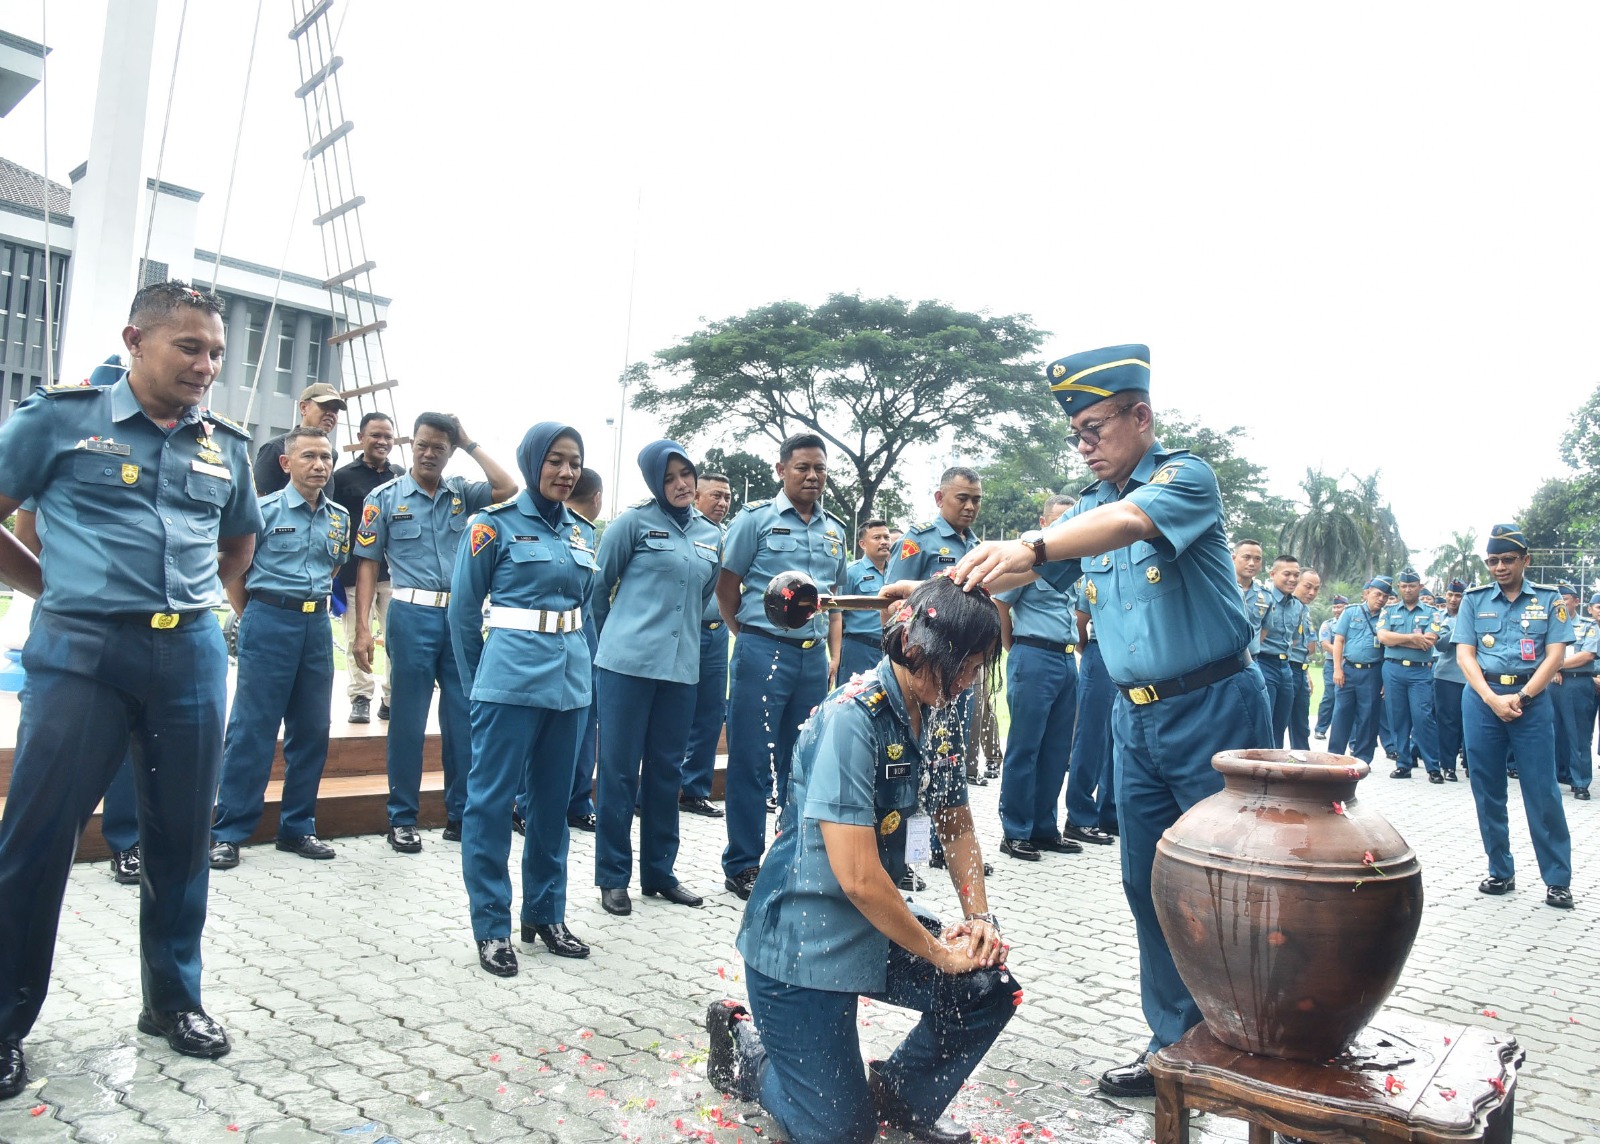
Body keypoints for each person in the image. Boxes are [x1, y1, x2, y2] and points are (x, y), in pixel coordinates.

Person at [948, 343, 1270, 1099]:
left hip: (1214, 708)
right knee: (1148, 883)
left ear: (1141, 417)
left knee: (1234, 887)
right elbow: (1029, 567)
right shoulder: (1087, 509)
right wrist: (945, 584)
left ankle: (1262, 1056)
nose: (1084, 445)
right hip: (1136, 717)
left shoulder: (1183, 478)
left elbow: (1124, 523)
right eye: (1076, 435)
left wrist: (1028, 542)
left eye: (1094, 429)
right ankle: (1174, 1050)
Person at [0, 282, 262, 1099]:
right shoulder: (59, 419)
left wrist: (203, 602)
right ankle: (4, 1022)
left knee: (181, 841)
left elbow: (239, 542)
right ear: (135, 340)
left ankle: (173, 1001)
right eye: (189, 347)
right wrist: (54, 590)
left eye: (215, 352)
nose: (206, 365)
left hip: (190, 659)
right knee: (38, 839)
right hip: (84, 656)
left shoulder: (225, 445)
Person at [707, 577, 1015, 1144]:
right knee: (840, 1135)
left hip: (875, 927)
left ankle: (899, 1098)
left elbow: (954, 820)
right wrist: (940, 955)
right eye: (963, 668)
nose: (969, 682)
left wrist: (978, 920)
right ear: (917, 648)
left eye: (977, 669)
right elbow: (858, 877)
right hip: (805, 946)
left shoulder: (940, 704)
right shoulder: (852, 719)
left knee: (987, 986)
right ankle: (747, 1054)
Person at [448, 423, 596, 974]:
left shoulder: (581, 533)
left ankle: (546, 914)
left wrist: (586, 679)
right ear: (533, 463)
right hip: (507, 682)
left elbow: (586, 613)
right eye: (555, 460)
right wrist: (476, 686)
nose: (566, 472)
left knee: (553, 806)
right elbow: (463, 612)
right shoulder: (493, 525)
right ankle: (492, 926)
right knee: (490, 805)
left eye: (574, 462)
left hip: (568, 685)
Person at [352, 413, 516, 853]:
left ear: (450, 451)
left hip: (459, 617)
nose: (428, 454)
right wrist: (363, 628)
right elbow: (368, 564)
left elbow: (507, 487)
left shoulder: (462, 492)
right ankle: (402, 818)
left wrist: (469, 441)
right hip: (410, 614)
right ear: (411, 444)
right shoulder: (384, 497)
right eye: (422, 445)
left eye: (439, 447)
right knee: (408, 719)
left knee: (464, 718)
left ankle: (460, 815)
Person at [209, 427, 350, 869]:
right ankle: (228, 832)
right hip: (269, 619)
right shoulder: (264, 511)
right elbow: (236, 574)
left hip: (316, 625)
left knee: (312, 730)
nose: (320, 465)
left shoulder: (340, 518)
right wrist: (258, 614)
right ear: (286, 463)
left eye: (326, 457)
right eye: (309, 456)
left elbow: (334, 568)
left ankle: (298, 827)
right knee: (252, 729)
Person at [590, 441, 721, 916]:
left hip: (681, 670)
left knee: (667, 772)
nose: (681, 484)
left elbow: (704, 594)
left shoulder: (712, 534)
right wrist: (613, 641)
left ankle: (660, 873)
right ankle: (613, 876)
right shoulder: (632, 523)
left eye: (686, 474)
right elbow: (598, 589)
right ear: (653, 483)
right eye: (669, 478)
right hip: (625, 667)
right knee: (620, 771)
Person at [716, 434, 847, 900]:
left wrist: (829, 653)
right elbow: (727, 587)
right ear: (781, 470)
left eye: (820, 469)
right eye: (802, 468)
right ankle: (743, 864)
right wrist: (749, 634)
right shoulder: (754, 520)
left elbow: (834, 597)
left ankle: (792, 859)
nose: (812, 476)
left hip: (812, 659)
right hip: (762, 652)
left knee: (803, 762)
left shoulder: (835, 531)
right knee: (751, 760)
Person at [14, 485, 143, 886]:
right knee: (49, 737)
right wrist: (63, 588)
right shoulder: (51, 449)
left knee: (128, 734)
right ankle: (29, 859)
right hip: (69, 620)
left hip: (138, 617)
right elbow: (26, 535)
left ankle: (127, 843)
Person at [1453, 524, 1575, 909]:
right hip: (1482, 700)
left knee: (1542, 790)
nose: (1500, 567)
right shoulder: (1474, 600)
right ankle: (1500, 871)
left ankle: (1557, 879)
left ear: (1526, 560)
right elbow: (1465, 654)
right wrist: (1491, 698)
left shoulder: (1550, 600)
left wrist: (1521, 696)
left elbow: (1556, 655)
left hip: (1531, 701)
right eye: (1493, 561)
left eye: (1507, 559)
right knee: (1487, 789)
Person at [994, 494, 1083, 861]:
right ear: (1044, 523)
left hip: (1066, 660)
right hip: (1033, 656)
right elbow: (1001, 603)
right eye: (1059, 521)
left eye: (1072, 521)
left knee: (1057, 750)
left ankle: (1044, 829)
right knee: (1025, 747)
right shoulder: (1029, 556)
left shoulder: (1076, 560)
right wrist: (1013, 647)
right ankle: (1015, 831)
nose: (1066, 528)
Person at [886, 468, 987, 785]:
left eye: (976, 500)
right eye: (962, 498)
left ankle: (947, 810)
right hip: (924, 668)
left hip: (962, 669)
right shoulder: (918, 541)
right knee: (911, 749)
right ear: (940, 498)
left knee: (950, 752)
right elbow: (893, 605)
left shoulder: (977, 547)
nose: (970, 507)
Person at [331, 412, 402, 724]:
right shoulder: (342, 478)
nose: (382, 441)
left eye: (387, 436)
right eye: (375, 435)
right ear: (361, 438)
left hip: (394, 573)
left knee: (397, 639)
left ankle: (390, 698)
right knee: (355, 637)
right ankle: (360, 696)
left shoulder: (401, 476)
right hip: (353, 573)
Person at [680, 471, 733, 818]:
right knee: (674, 710)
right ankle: (655, 788)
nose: (723, 502)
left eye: (727, 497)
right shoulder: (685, 530)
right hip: (686, 630)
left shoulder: (728, 535)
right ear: (696, 496)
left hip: (718, 632)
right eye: (716, 495)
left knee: (711, 712)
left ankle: (695, 789)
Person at [557, 467, 605, 833]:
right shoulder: (556, 527)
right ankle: (527, 803)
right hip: (553, 633)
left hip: (582, 631)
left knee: (585, 719)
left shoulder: (585, 533)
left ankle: (576, 801)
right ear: (598, 498)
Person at [1378, 567, 1444, 781]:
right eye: (1404, 586)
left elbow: (1429, 641)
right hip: (1393, 669)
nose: (1408, 589)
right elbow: (1383, 637)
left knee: (1423, 718)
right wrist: (1413, 638)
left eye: (1412, 586)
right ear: (1399, 587)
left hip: (1419, 671)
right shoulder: (1389, 611)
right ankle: (1403, 764)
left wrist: (1396, 639)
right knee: (1397, 718)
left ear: (1420, 587)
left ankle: (1433, 767)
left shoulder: (1431, 612)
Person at [1066, 593, 1118, 841]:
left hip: (1132, 655)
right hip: (1101, 652)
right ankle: (1080, 817)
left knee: (1120, 740)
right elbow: (1080, 621)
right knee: (1091, 737)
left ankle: (1110, 814)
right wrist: (1090, 652)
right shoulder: (1098, 572)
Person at [1328, 578, 1391, 763]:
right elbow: (1339, 640)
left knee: (1368, 717)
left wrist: (1385, 681)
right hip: (1348, 670)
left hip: (1373, 672)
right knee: (1341, 714)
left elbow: (1389, 650)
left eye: (1385, 596)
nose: (1381, 599)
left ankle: (1362, 758)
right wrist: (1337, 669)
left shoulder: (1387, 617)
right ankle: (1334, 756)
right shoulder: (1351, 612)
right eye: (1378, 594)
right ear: (1368, 593)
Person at [254, 382, 346, 496]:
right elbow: (258, 497)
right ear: (303, 408)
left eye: (335, 410)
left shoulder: (333, 453)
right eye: (324, 406)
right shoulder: (275, 448)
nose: (331, 414)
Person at [835, 519, 893, 683]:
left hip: (889, 650)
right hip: (859, 649)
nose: (883, 542)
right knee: (854, 694)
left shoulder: (896, 572)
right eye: (877, 538)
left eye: (886, 537)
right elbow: (836, 614)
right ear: (862, 544)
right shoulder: (851, 572)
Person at [1258, 555, 1307, 747]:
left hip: (1286, 667)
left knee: (1280, 724)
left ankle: (1274, 760)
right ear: (1273, 574)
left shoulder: (1298, 606)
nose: (1292, 579)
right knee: (1264, 721)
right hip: (1263, 663)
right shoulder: (1263, 600)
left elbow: (1294, 639)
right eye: (1287, 574)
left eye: (1296, 575)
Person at [1552, 582, 1595, 799]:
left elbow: (1587, 655)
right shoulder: (1549, 625)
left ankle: (1580, 783)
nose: (1561, 604)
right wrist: (1551, 669)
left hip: (1577, 683)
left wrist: (1556, 665)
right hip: (1551, 683)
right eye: (1557, 600)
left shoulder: (1588, 626)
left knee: (1578, 734)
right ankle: (1557, 776)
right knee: (1551, 732)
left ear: (1576, 601)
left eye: (1565, 600)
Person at [1432, 579, 1469, 781]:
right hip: (1447, 676)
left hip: (1473, 677)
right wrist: (1460, 627)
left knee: (1471, 723)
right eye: (1450, 595)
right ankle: (1448, 765)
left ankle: (1471, 765)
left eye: (1458, 596)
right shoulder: (1439, 618)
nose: (1454, 599)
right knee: (1447, 722)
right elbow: (1440, 645)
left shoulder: (1476, 616)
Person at [1287, 568, 1321, 750]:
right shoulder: (1283, 607)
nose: (1312, 593)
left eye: (1316, 589)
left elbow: (1309, 648)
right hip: (1284, 668)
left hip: (1300, 670)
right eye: (1308, 587)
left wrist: (1306, 673)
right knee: (1278, 722)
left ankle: (1301, 760)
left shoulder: (1305, 611)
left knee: (1301, 726)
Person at [1313, 594, 1348, 739]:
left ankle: (1344, 731)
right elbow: (1326, 644)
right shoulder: (1327, 625)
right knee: (1330, 695)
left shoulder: (1352, 622)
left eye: (1340, 607)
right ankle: (1320, 728)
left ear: (1346, 607)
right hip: (1331, 664)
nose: (1336, 610)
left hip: (1350, 665)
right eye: (1334, 607)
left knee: (1347, 697)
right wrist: (1345, 654)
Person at [1232, 539, 1269, 659]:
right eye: (1246, 557)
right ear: (1233, 558)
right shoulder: (1221, 589)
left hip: (1251, 660)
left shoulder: (1266, 597)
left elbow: (1264, 629)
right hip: (1223, 660)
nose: (1252, 563)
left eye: (1257, 559)